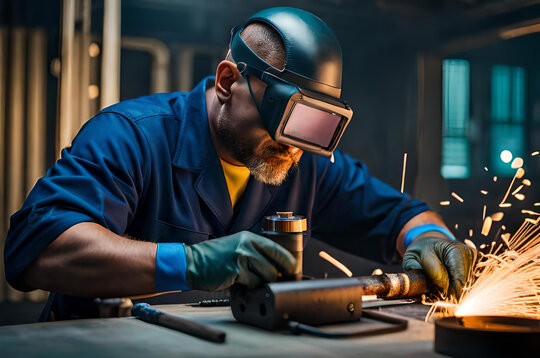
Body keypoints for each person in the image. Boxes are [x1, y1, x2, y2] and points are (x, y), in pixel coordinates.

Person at [4, 7, 474, 320]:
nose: (293, 146)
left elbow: (401, 216)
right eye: (285, 118)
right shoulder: (131, 135)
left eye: (312, 125)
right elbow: (39, 247)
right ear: (229, 80)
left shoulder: (300, 160)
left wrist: (431, 240)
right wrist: (189, 263)